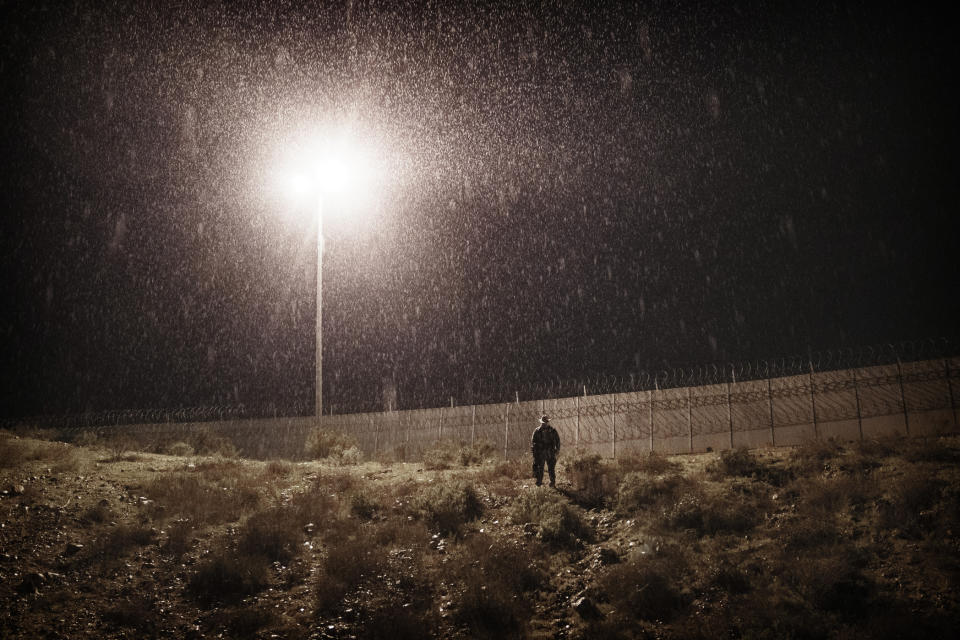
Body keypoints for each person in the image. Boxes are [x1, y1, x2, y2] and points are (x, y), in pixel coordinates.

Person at [531, 414, 561, 487]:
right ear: (541, 422)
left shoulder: (552, 431)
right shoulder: (537, 431)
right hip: (540, 453)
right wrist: (534, 452)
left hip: (550, 452)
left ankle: (552, 482)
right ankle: (539, 482)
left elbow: (557, 441)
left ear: (548, 422)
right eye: (543, 422)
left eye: (546, 422)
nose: (544, 424)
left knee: (551, 468)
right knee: (539, 468)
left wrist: (557, 450)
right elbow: (533, 442)